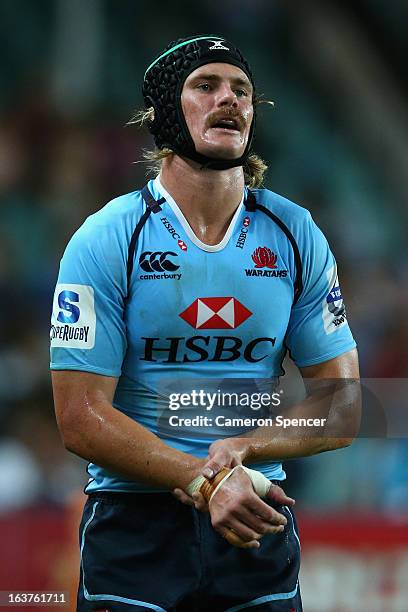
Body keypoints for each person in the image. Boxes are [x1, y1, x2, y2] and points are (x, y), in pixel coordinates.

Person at [50, 35, 360, 612]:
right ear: (166, 111)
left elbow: (343, 404)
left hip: (254, 515)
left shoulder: (296, 234)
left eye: (241, 90)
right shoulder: (107, 236)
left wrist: (246, 446)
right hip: (134, 525)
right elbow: (79, 417)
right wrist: (203, 479)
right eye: (206, 86)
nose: (230, 100)